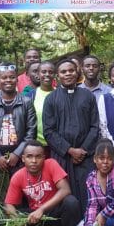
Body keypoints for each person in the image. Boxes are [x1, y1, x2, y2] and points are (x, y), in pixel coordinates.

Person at [4, 141, 81, 226]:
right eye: (29, 156)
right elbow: (8, 204)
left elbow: (65, 189)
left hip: (54, 214)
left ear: (44, 158)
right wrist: (16, 220)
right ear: (23, 158)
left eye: (38, 156)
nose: (34, 160)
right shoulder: (18, 176)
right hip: (35, 218)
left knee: (71, 202)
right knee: (10, 215)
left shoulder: (51, 164)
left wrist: (41, 209)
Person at [43, 59, 100, 214]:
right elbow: (48, 131)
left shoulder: (88, 96)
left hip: (85, 157)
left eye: (71, 70)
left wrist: (82, 150)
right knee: (65, 197)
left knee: (88, 194)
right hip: (62, 157)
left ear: (77, 72)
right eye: (63, 72)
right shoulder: (51, 99)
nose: (68, 74)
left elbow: (95, 126)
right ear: (57, 76)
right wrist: (70, 150)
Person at [0, 62, 37, 207]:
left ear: (17, 80)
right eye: (4, 78)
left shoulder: (26, 102)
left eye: (11, 77)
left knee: (19, 197)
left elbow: (31, 130)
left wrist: (18, 154)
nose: (8, 80)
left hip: (19, 159)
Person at [26, 61, 55, 148]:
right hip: (36, 145)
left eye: (50, 72)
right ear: (38, 74)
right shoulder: (30, 96)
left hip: (58, 146)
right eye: (43, 72)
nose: (47, 74)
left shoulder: (61, 94)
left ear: (55, 74)